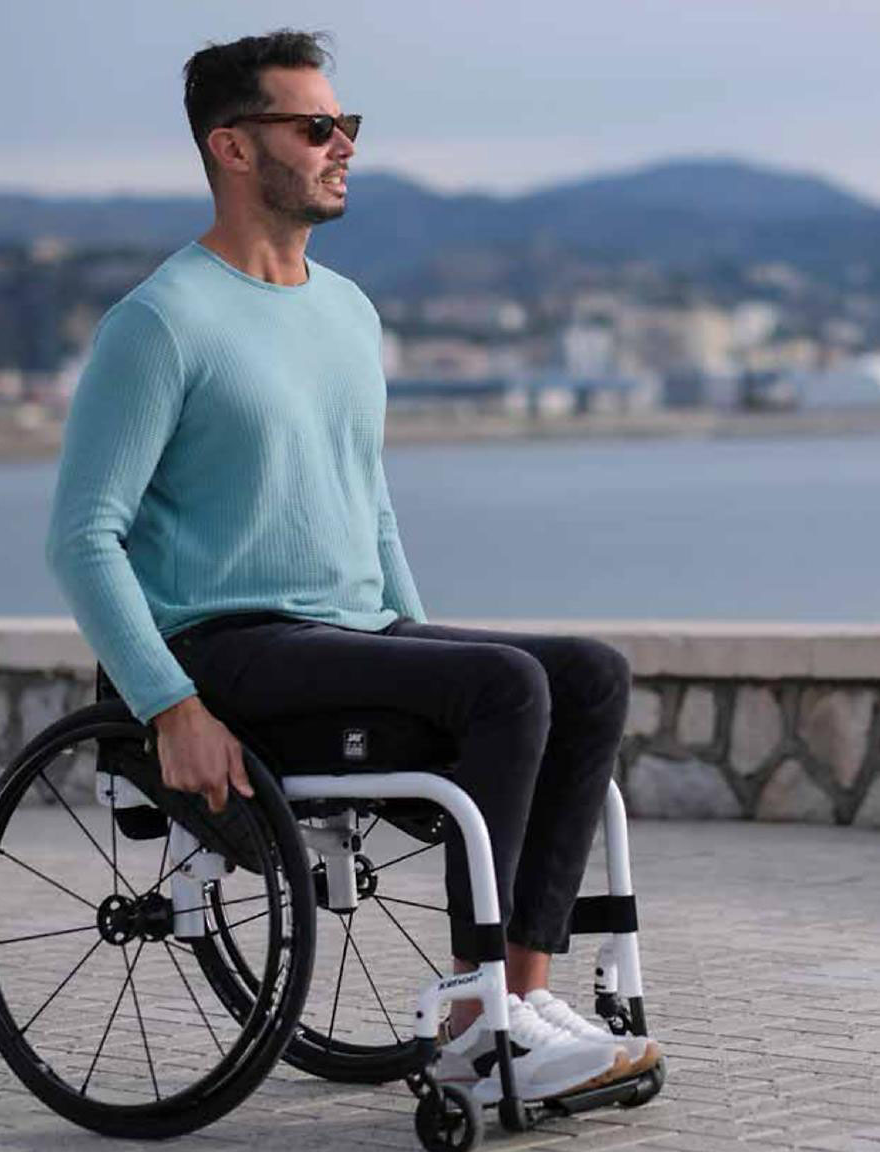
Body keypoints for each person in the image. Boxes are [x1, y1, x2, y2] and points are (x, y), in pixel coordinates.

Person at [46, 28, 659, 1102]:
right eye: (316, 125)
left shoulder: (346, 310)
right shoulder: (159, 322)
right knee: (508, 682)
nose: (344, 146)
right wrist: (168, 703)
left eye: (348, 125)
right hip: (225, 648)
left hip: (346, 638)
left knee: (588, 671)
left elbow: (366, 509)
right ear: (234, 149)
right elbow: (82, 535)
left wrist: (419, 642)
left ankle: (515, 999)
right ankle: (477, 1024)